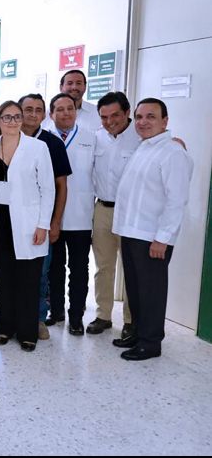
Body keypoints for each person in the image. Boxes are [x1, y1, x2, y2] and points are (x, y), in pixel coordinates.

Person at [112, 98, 193, 360]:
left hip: (152, 237)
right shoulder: (144, 147)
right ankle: (137, 332)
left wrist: (163, 238)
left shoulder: (173, 152)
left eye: (150, 116)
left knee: (151, 291)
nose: (143, 122)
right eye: (139, 117)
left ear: (165, 121)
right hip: (132, 232)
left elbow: (176, 200)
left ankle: (150, 343)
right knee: (134, 289)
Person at [0, 101, 55, 352]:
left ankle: (28, 332)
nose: (12, 121)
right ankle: (5, 327)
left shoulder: (38, 148)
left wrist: (43, 225)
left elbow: (48, 189)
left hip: (28, 221)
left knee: (28, 278)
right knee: (4, 277)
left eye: (17, 117)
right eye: (7, 117)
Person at [19, 93, 72, 340]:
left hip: (41, 221)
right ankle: (10, 314)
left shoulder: (52, 143)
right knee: (10, 271)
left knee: (40, 272)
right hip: (10, 220)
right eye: (27, 109)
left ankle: (38, 318)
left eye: (37, 110)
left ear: (44, 115)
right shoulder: (6, 140)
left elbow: (61, 185)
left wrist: (55, 223)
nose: (32, 114)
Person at [89, 91, 140, 337]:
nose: (110, 121)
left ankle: (131, 320)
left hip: (132, 212)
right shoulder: (97, 138)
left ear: (127, 113)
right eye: (104, 117)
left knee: (131, 268)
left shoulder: (141, 138)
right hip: (103, 209)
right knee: (103, 266)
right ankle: (103, 315)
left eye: (115, 115)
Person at [46, 93, 96, 335]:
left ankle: (76, 317)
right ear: (51, 114)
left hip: (80, 215)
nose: (66, 113)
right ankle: (55, 311)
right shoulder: (44, 139)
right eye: (60, 109)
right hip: (50, 216)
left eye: (70, 109)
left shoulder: (91, 138)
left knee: (79, 269)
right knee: (54, 267)